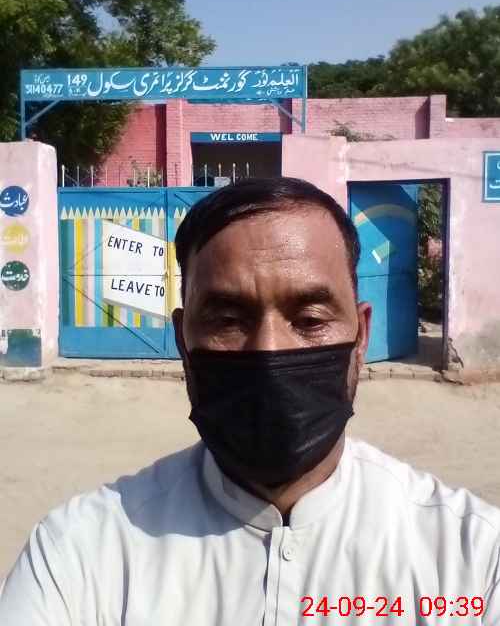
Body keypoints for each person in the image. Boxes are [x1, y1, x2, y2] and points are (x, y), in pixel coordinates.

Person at [0, 176, 499, 624]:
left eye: (310, 320)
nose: (269, 351)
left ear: (360, 337)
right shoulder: (80, 557)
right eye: (228, 321)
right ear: (184, 341)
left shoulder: (472, 561)